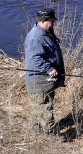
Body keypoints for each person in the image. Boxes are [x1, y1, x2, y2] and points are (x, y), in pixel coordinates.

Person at [24, 8, 65, 141]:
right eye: (52, 21)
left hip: (45, 79)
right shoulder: (35, 37)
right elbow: (34, 58)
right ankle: (52, 136)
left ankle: (36, 128)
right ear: (44, 20)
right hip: (39, 80)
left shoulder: (46, 32)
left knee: (41, 104)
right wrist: (49, 68)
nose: (54, 23)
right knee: (45, 107)